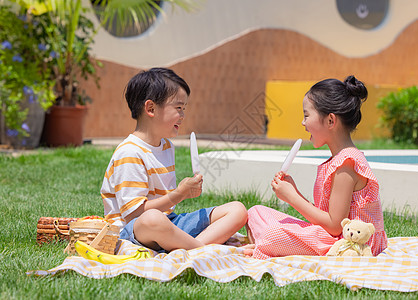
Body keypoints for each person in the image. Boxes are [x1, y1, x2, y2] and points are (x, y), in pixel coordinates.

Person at [101, 68, 248, 253]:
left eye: (184, 109)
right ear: (151, 109)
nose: (183, 115)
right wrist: (178, 194)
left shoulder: (166, 147)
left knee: (237, 210)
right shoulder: (130, 152)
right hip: (133, 231)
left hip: (169, 223)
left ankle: (192, 248)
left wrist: (183, 194)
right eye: (179, 108)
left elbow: (166, 213)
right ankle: (204, 250)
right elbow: (134, 214)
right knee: (153, 219)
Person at [246, 75, 388, 259]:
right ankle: (268, 245)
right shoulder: (338, 159)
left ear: (330, 121)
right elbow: (326, 218)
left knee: (271, 234)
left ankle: (266, 245)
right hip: (329, 235)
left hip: (349, 243)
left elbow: (336, 225)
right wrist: (294, 192)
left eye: (306, 115)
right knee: (255, 212)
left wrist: (292, 198)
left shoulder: (347, 164)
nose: (303, 123)